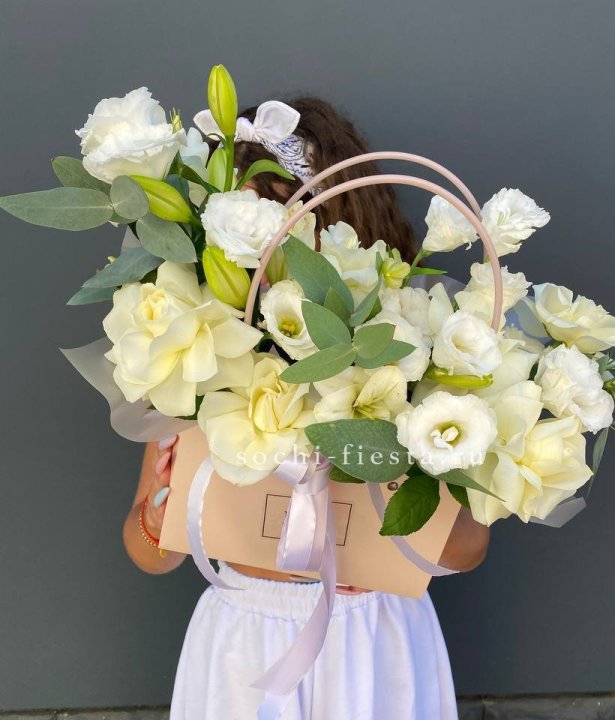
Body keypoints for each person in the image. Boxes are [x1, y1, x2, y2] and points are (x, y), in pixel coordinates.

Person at [123, 96, 491, 719]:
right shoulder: (200, 359)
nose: (272, 260)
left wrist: (419, 488)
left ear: (351, 229)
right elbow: (148, 553)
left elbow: (466, 550)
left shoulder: (413, 360)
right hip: (244, 644)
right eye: (249, 238)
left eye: (294, 231)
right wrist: (160, 514)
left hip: (371, 635)